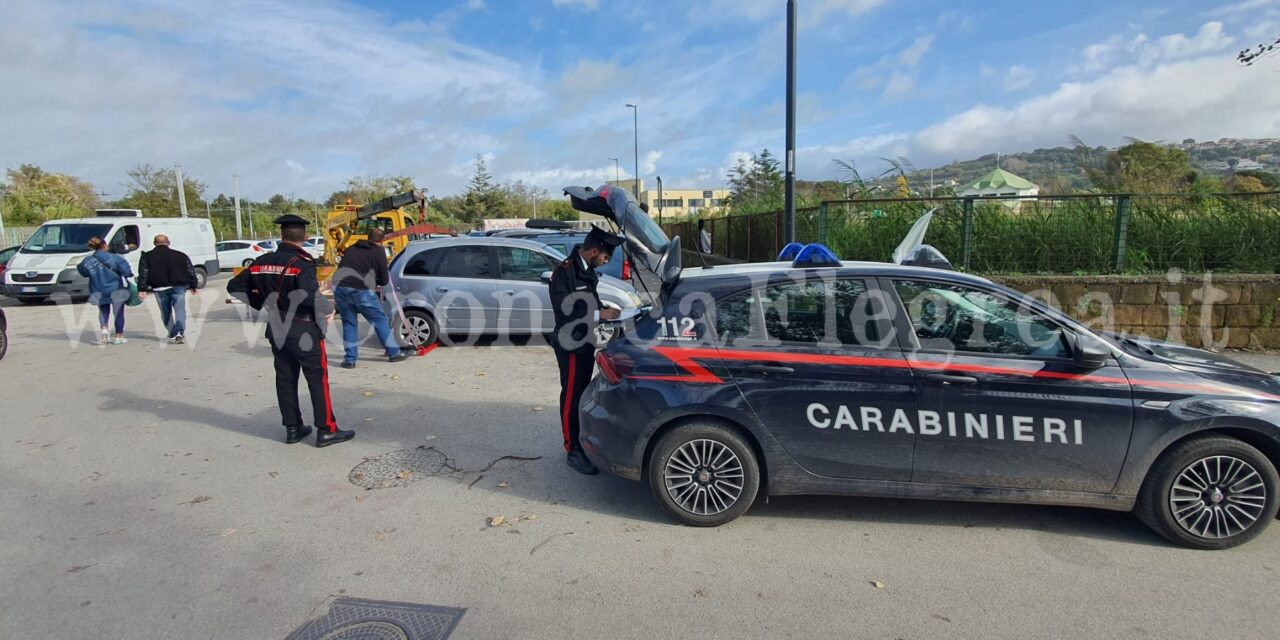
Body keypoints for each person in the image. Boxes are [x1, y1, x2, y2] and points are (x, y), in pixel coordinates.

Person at [227, 214, 354, 448]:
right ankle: (326, 430)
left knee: (285, 379)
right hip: (303, 328)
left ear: (281, 236)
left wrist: (263, 302)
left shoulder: (260, 262)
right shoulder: (301, 264)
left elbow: (234, 286)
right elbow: (308, 297)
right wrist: (327, 308)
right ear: (304, 237)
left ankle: (293, 428)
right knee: (317, 379)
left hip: (276, 326)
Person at [548, 225, 623, 474]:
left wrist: (605, 310)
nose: (605, 261)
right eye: (605, 257)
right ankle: (572, 449)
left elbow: (589, 302)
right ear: (593, 251)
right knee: (571, 397)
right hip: (570, 345)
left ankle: (581, 440)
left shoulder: (587, 271)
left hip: (585, 341)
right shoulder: (564, 273)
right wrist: (599, 312)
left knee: (582, 394)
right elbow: (566, 310)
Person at [332, 228, 409, 369]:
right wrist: (376, 281)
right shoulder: (378, 251)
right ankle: (393, 352)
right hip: (361, 289)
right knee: (379, 320)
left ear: (368, 237)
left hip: (340, 287)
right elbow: (384, 279)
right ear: (381, 241)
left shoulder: (351, 248)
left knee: (349, 323)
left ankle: (350, 360)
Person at [137, 234, 199, 344]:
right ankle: (180, 331)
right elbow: (190, 271)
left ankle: (173, 333)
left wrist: (142, 289)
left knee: (165, 312)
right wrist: (193, 285)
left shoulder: (147, 256)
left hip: (159, 288)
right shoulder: (180, 255)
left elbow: (143, 273)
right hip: (178, 287)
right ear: (168, 242)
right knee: (180, 309)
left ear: (154, 243)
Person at [77, 237, 133, 345]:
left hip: (98, 288)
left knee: (103, 310)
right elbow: (127, 272)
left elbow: (83, 272)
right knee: (118, 313)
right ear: (104, 245)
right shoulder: (115, 258)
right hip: (116, 288)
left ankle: (104, 329)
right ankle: (118, 336)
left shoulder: (88, 260)